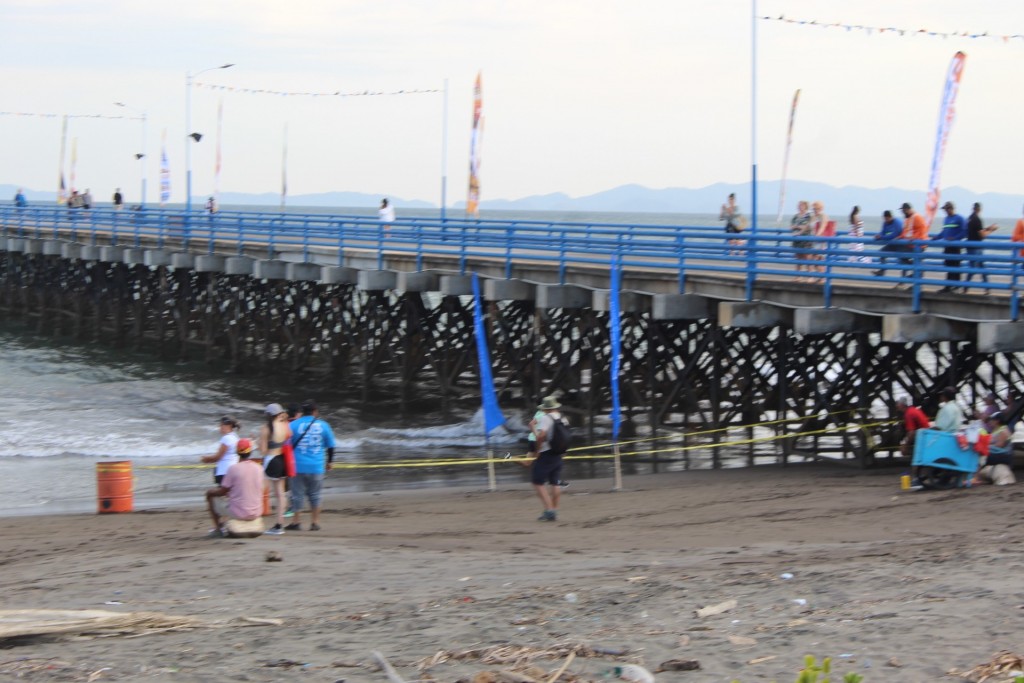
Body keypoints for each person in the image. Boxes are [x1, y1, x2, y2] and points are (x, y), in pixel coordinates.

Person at [285, 399, 336, 532]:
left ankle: (296, 522)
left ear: (302, 412)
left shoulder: (293, 425)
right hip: (316, 465)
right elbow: (330, 446)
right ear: (315, 411)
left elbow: (286, 445)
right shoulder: (323, 425)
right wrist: (330, 462)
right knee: (315, 494)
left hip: (297, 465)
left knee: (297, 494)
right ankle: (315, 522)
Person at [205, 438, 265, 538]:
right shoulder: (259, 468)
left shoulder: (233, 468)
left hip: (239, 512)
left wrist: (211, 492)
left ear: (237, 452)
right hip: (257, 511)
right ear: (250, 452)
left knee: (211, 496)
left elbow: (222, 491)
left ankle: (218, 529)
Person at [530, 396, 569, 522]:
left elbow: (541, 436)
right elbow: (567, 435)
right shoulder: (562, 417)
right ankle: (554, 509)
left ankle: (549, 510)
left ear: (545, 409)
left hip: (546, 453)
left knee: (537, 482)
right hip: (558, 452)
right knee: (555, 482)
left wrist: (537, 450)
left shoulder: (546, 418)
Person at [259, 403, 293, 535]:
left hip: (271, 460)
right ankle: (279, 525)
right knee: (281, 495)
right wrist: (284, 418)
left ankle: (253, 518)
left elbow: (263, 451)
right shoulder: (284, 425)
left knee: (261, 490)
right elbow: (290, 434)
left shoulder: (266, 428)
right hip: (282, 459)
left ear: (268, 415)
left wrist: (256, 443)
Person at [972, 412, 1016, 486]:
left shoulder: (1003, 430)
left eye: (992, 420)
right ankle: (976, 476)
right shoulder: (996, 430)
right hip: (998, 452)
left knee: (982, 454)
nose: (990, 421)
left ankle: (976, 477)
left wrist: (987, 446)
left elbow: (1000, 445)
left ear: (997, 421)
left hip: (1003, 454)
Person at [963, 202, 998, 290]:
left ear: (973, 208)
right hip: (976, 247)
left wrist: (988, 228)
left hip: (970, 245)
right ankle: (983, 287)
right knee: (976, 267)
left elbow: (977, 230)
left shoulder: (970, 218)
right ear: (979, 209)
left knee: (977, 267)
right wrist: (992, 230)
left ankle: (983, 288)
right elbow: (982, 235)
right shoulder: (977, 219)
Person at [933, 201, 966, 292]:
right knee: (948, 265)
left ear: (951, 208)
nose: (946, 211)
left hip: (955, 246)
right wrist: (937, 237)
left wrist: (955, 238)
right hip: (947, 246)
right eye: (945, 209)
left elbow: (964, 232)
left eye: (947, 209)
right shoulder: (946, 219)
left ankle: (955, 285)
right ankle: (949, 285)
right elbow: (944, 232)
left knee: (955, 265)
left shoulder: (960, 218)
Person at [201, 415, 240, 485]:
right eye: (220, 425)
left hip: (224, 471)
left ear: (229, 425)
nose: (220, 427)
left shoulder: (227, 438)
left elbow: (218, 457)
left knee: (222, 493)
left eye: (222, 425)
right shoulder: (235, 437)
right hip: (233, 470)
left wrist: (206, 459)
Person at [873, 210, 909, 276]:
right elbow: (883, 232)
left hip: (901, 244)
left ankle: (903, 280)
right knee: (881, 253)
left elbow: (894, 235)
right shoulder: (885, 223)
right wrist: (878, 235)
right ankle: (882, 270)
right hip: (893, 244)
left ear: (891, 217)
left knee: (903, 260)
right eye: (885, 219)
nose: (886, 220)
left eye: (887, 219)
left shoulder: (897, 222)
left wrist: (881, 237)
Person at [790, 200, 815, 281]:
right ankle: (798, 276)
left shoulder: (808, 216)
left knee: (808, 257)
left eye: (802, 205)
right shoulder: (795, 216)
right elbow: (791, 227)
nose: (800, 207)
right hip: (797, 240)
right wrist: (798, 227)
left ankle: (810, 276)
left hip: (806, 238)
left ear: (806, 206)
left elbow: (807, 227)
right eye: (799, 205)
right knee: (798, 258)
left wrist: (798, 228)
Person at [808, 200, 831, 282]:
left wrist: (817, 236)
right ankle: (818, 276)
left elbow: (822, 227)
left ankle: (820, 277)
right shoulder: (813, 217)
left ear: (821, 208)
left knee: (817, 259)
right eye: (814, 209)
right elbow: (808, 227)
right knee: (812, 259)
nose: (815, 210)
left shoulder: (823, 216)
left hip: (821, 241)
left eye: (817, 208)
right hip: (813, 240)